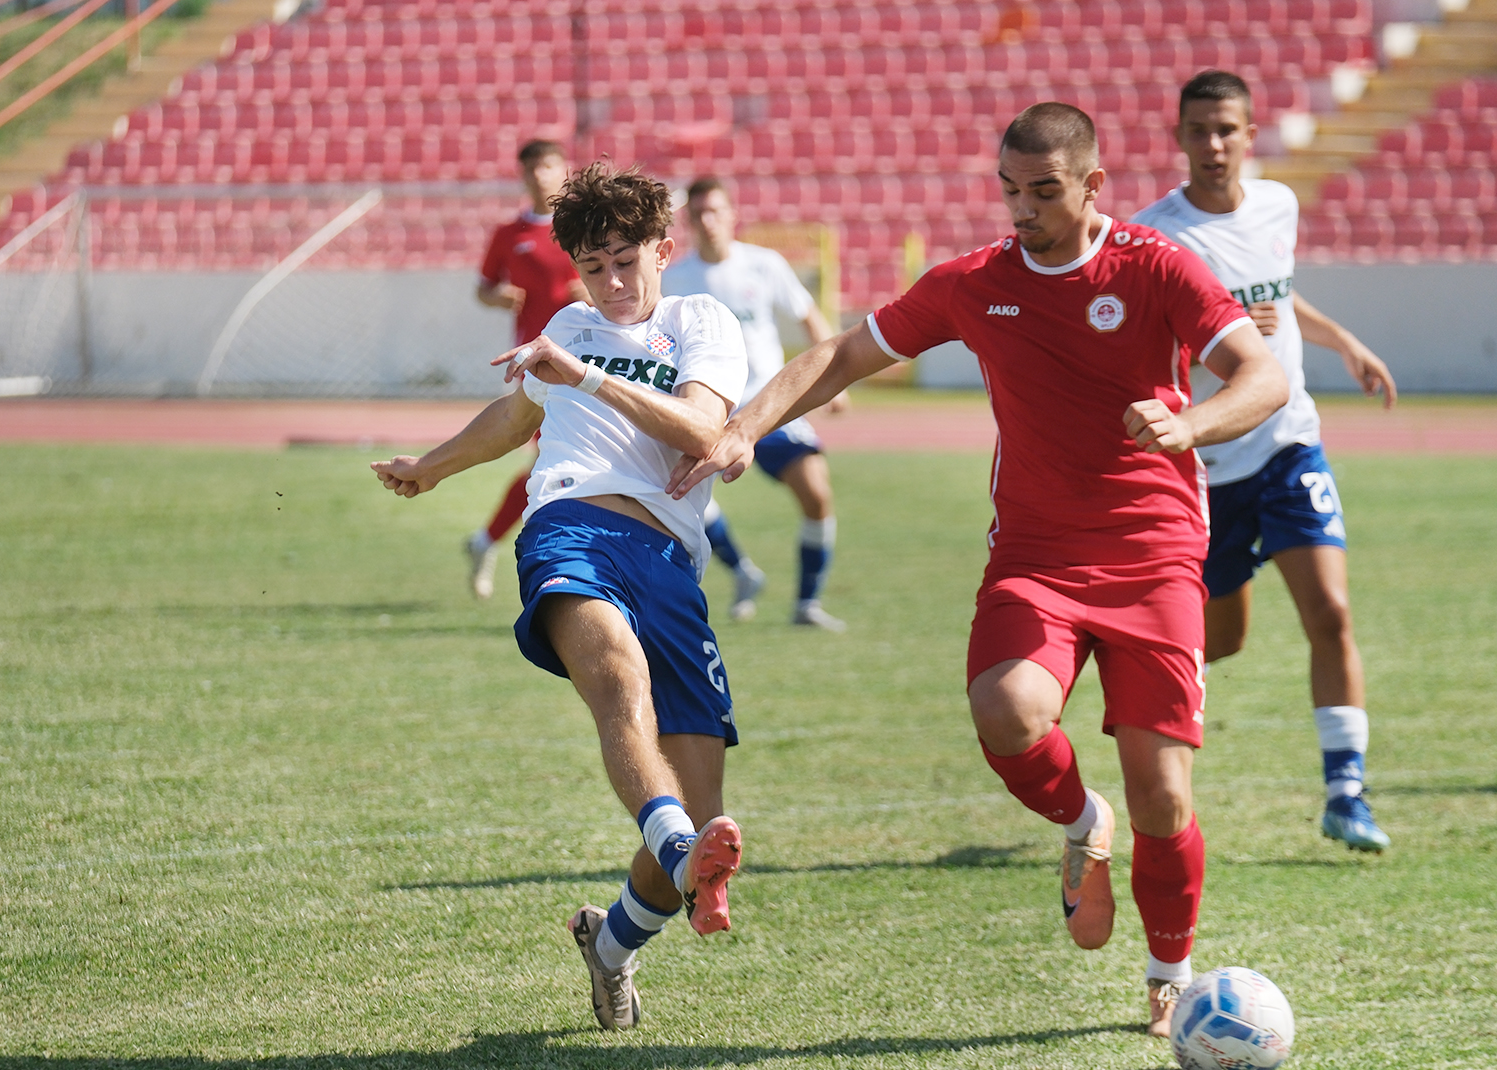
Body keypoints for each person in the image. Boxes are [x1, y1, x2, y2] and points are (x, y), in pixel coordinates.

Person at [668, 103, 1289, 1035]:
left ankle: (1170, 970)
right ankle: (1085, 825)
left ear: (1091, 187)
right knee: (1006, 711)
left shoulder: (1154, 266)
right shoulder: (976, 284)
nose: (1023, 208)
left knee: (1165, 793)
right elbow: (843, 351)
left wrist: (1191, 424)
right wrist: (742, 428)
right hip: (1036, 556)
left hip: (1155, 553)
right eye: (1010, 189)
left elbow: (1262, 373)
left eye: (1044, 191)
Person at [373, 162, 747, 1031]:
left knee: (697, 796)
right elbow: (514, 419)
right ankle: (688, 856)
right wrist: (428, 470)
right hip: (569, 527)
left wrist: (583, 377)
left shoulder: (699, 321)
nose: (611, 284)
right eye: (593, 267)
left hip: (669, 562)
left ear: (665, 249)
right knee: (616, 679)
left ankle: (610, 943)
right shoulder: (567, 324)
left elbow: (702, 427)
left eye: (626, 261)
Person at [1131, 70, 1397, 852]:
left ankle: (1347, 792)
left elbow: (1281, 292)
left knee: (1332, 612)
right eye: (1200, 131)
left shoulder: (1278, 205)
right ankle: (1134, 696)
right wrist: (1215, 330)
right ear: (1178, 138)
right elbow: (1148, 347)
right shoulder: (1155, 236)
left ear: (1250, 135)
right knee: (1222, 640)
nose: (1214, 145)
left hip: (1290, 445)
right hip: (1209, 467)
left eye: (1228, 130)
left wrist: (1343, 340)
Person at [662, 176, 845, 629]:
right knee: (680, 492)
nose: (707, 221)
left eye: (715, 211)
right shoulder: (677, 277)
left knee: (817, 493)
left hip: (769, 405)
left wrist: (837, 382)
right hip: (711, 408)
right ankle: (742, 571)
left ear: (731, 216)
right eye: (698, 213)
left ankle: (807, 604)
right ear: (687, 221)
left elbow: (807, 315)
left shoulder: (764, 265)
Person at [464, 139, 590, 599]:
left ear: (564, 169)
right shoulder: (509, 233)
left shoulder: (585, 226)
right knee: (548, 461)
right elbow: (482, 287)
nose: (541, 175)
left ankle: (486, 542)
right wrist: (495, 297)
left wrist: (591, 294)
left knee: (551, 462)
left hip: (590, 358)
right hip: (536, 363)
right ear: (522, 175)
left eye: (549, 165)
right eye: (533, 168)